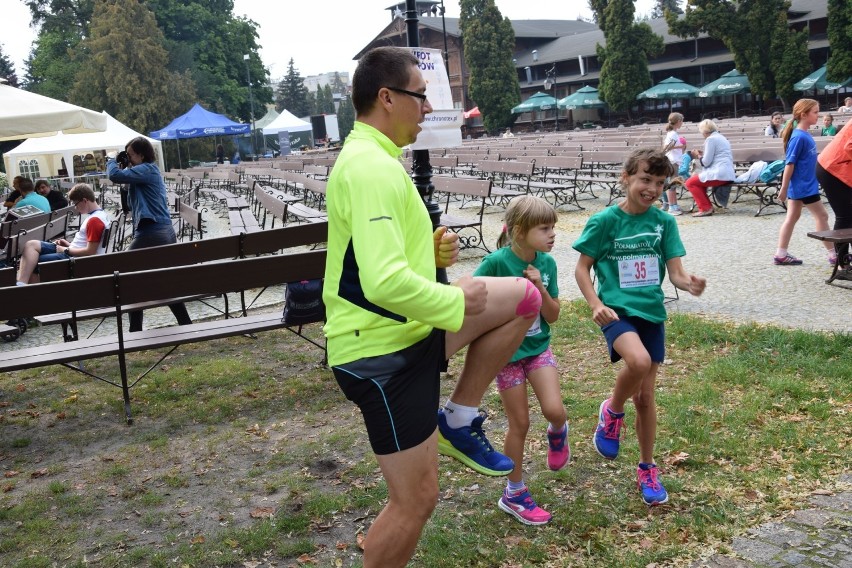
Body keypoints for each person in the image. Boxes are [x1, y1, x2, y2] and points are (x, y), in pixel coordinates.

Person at [323, 47, 536, 568]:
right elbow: (381, 283)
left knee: (524, 297)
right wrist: (453, 297)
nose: (427, 108)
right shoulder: (370, 167)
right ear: (387, 98)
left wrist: (429, 255)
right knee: (415, 501)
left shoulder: (378, 161)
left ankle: (458, 419)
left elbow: (383, 262)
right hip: (379, 355)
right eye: (421, 96)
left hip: (409, 332)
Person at [573, 147, 706, 507]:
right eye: (646, 179)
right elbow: (582, 268)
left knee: (646, 397)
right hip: (617, 312)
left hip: (652, 313)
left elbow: (675, 272)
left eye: (660, 183)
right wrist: (596, 304)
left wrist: (688, 283)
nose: (652, 189)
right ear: (627, 177)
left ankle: (647, 467)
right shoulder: (605, 222)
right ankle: (613, 410)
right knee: (639, 362)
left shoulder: (664, 223)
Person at [473, 195, 569, 526]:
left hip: (538, 349)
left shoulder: (548, 264)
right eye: (545, 228)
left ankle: (558, 433)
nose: (552, 234)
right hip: (507, 358)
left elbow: (553, 316)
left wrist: (539, 288)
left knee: (555, 411)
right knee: (521, 424)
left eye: (553, 227)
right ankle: (514, 493)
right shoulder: (495, 264)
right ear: (518, 231)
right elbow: (472, 299)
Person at [107, 137, 192, 331]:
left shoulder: (147, 169)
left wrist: (111, 160)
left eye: (130, 154)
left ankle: (134, 330)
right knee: (162, 281)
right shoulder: (142, 173)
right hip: (160, 231)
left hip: (153, 232)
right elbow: (127, 203)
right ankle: (185, 323)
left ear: (142, 154)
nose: (127, 158)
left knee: (126, 275)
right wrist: (125, 167)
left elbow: (114, 176)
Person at [774, 99, 835, 266]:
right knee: (822, 215)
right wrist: (784, 188)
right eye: (815, 112)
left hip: (805, 184)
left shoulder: (804, 135)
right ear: (803, 115)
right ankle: (833, 255)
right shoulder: (798, 137)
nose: (818, 115)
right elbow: (789, 163)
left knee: (792, 217)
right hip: (804, 186)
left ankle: (781, 253)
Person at [15, 183, 110, 285]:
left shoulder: (94, 221)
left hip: (76, 259)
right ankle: (21, 283)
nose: (75, 208)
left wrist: (65, 249)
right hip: (73, 250)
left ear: (85, 201)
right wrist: (68, 245)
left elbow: (90, 251)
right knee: (31, 244)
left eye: (75, 204)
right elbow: (89, 246)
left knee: (33, 262)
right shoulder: (100, 215)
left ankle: (29, 290)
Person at [816, 119, 852, 280]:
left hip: (837, 167)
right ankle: (843, 266)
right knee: (845, 216)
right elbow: (849, 147)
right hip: (832, 169)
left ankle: (845, 261)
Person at [685, 119, 735, 217]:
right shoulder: (721, 137)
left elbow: (706, 162)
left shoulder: (710, 139)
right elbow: (716, 155)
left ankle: (705, 208)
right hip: (726, 172)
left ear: (705, 131)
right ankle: (707, 207)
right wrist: (703, 154)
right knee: (698, 183)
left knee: (690, 183)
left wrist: (697, 155)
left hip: (719, 173)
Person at [660, 112, 686, 216]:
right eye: (681, 121)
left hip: (672, 160)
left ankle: (674, 205)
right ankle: (672, 207)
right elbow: (667, 147)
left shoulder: (671, 133)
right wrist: (680, 147)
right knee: (672, 184)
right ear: (678, 121)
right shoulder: (674, 134)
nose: (682, 123)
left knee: (673, 184)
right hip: (673, 161)